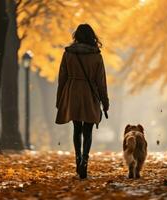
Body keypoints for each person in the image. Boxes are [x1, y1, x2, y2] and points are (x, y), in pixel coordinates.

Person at [55, 24, 109, 179]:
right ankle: (85, 159)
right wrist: (105, 102)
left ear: (76, 36)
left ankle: (78, 158)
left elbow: (62, 79)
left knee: (77, 128)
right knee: (88, 129)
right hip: (90, 93)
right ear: (92, 36)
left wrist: (60, 99)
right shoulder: (96, 55)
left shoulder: (68, 54)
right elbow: (101, 82)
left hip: (72, 92)